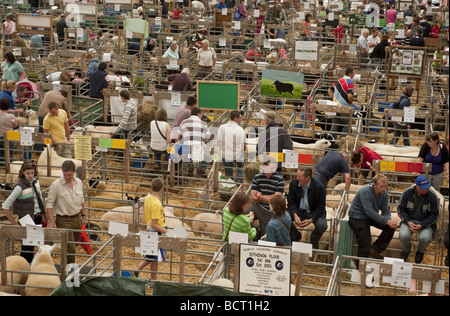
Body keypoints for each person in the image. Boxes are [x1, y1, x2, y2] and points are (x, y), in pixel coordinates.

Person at [2, 162, 46, 262]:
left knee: (33, 244)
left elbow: (40, 198)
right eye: (28, 173)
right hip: (26, 218)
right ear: (23, 172)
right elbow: (5, 205)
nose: (31, 175)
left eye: (32, 173)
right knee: (27, 246)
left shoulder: (36, 182)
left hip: (37, 216)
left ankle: (29, 266)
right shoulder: (19, 187)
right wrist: (14, 223)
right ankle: (24, 267)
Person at [45, 160, 87, 264]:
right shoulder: (56, 185)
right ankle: (69, 272)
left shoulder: (79, 182)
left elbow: (81, 200)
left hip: (77, 218)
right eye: (65, 174)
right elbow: (49, 204)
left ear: (74, 172)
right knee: (71, 249)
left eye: (70, 175)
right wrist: (51, 221)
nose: (67, 177)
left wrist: (83, 216)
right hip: (63, 220)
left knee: (73, 245)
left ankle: (66, 265)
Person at [348, 174, 398, 260]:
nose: (384, 188)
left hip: (370, 216)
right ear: (374, 185)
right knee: (365, 245)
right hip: (358, 217)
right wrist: (386, 221)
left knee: (390, 227)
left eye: (385, 186)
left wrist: (389, 221)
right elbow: (369, 211)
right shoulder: (365, 191)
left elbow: (385, 210)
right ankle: (360, 269)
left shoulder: (384, 194)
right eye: (381, 186)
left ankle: (376, 249)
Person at [397, 176, 439, 263]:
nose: (426, 190)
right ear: (416, 186)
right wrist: (408, 222)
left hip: (425, 223)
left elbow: (434, 214)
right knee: (403, 235)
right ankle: (407, 248)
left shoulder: (432, 196)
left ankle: (420, 251)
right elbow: (401, 209)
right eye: (423, 188)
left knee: (426, 238)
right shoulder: (407, 193)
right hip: (409, 221)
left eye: (427, 187)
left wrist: (422, 225)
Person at [135, 178, 168, 280]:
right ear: (162, 188)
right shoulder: (156, 204)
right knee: (150, 257)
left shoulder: (148, 198)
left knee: (155, 258)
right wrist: (166, 231)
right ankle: (136, 271)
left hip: (151, 230)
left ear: (151, 187)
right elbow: (154, 223)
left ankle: (154, 280)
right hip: (156, 232)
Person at [287, 167, 327, 249]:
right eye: (297, 176)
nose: (297, 178)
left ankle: (313, 240)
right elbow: (291, 202)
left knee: (322, 225)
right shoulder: (294, 184)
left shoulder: (320, 188)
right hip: (298, 211)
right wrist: (295, 214)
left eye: (300, 177)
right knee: (284, 216)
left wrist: (311, 219)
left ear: (307, 178)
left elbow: (321, 207)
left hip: (313, 211)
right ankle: (294, 236)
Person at [247, 157, 285, 240]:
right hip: (257, 207)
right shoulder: (257, 177)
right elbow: (253, 198)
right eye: (270, 168)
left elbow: (276, 201)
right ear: (264, 166)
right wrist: (270, 197)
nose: (272, 171)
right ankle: (255, 234)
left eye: (274, 168)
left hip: (270, 209)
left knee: (267, 232)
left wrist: (260, 196)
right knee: (243, 215)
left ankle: (260, 237)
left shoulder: (279, 179)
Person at [176, 107, 212, 177]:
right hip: (199, 148)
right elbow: (208, 136)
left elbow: (178, 136)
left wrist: (177, 145)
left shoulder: (183, 122)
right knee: (208, 154)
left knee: (187, 150)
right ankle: (201, 168)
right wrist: (210, 135)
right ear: (198, 114)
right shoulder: (203, 123)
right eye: (201, 114)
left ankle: (190, 165)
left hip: (186, 148)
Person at [217, 110, 246, 183]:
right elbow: (244, 146)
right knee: (240, 164)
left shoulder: (221, 127)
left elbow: (218, 143)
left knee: (228, 169)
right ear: (236, 119)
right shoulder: (240, 129)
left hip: (225, 154)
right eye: (240, 118)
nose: (241, 120)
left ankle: (229, 183)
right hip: (237, 154)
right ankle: (239, 179)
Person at [327, 68, 356, 140]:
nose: (354, 75)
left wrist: (334, 99)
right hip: (344, 107)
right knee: (347, 124)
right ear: (350, 74)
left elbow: (329, 90)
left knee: (335, 124)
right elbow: (349, 96)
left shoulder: (337, 81)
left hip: (335, 106)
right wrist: (351, 102)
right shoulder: (350, 82)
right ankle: (342, 140)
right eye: (353, 73)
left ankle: (332, 140)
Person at [0, 98, 17, 166]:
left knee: (0, 152)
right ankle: (7, 167)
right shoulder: (11, 116)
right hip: (8, 136)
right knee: (9, 153)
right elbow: (15, 125)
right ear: (8, 106)